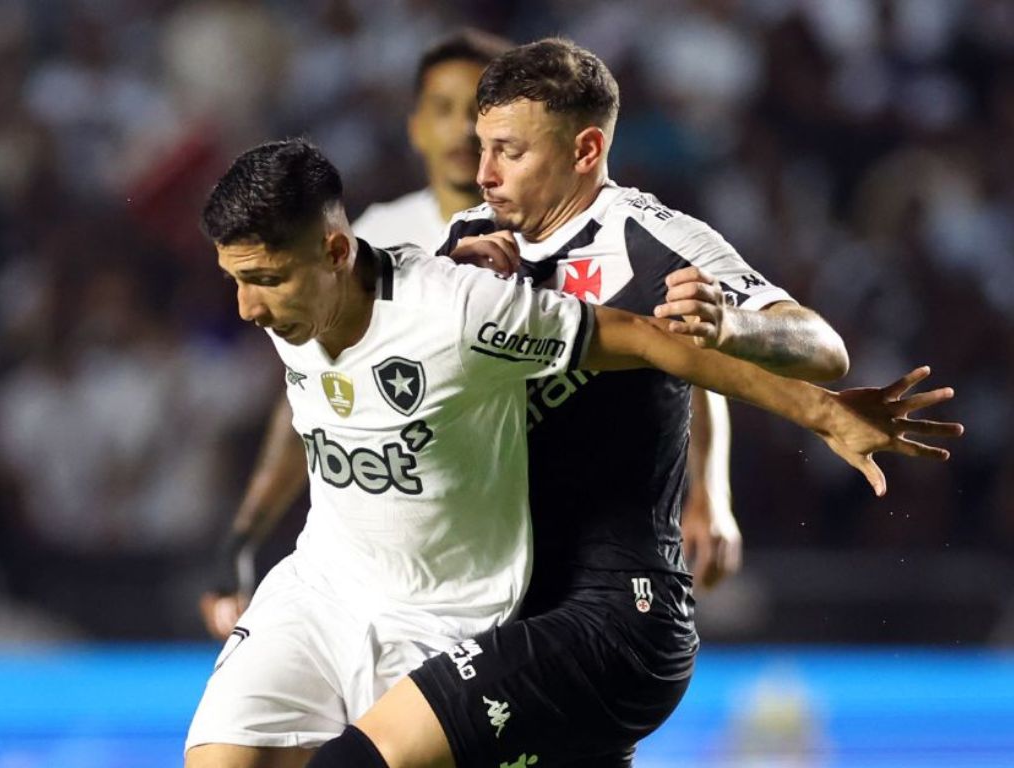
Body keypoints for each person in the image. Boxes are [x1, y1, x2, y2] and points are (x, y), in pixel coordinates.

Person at [186, 137, 960, 768]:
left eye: (265, 281)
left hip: (443, 616)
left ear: (334, 250)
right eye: (236, 283)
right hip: (320, 588)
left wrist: (820, 413)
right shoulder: (292, 310)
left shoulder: (459, 311)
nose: (248, 308)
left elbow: (655, 344)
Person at [200, 30, 739, 646]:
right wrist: (243, 535)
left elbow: (670, 346)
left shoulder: (583, 224)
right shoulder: (365, 240)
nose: (462, 132)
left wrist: (709, 490)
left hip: (566, 535)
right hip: (429, 563)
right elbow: (317, 404)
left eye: (480, 119)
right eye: (443, 109)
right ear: (415, 126)